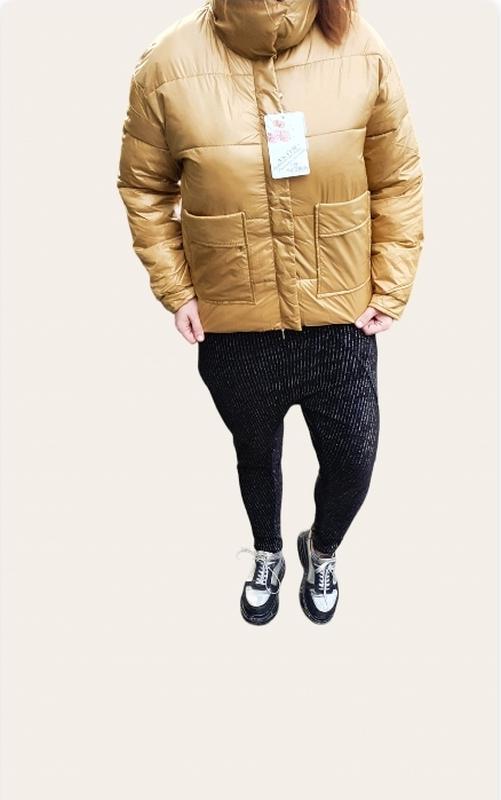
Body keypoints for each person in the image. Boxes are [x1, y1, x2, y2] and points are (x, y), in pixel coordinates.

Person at [116, 0, 424, 626]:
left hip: (340, 320)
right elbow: (145, 188)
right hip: (234, 324)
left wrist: (391, 284)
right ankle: (268, 552)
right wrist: (177, 289)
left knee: (353, 462)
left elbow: (397, 179)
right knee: (256, 458)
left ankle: (322, 549)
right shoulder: (167, 64)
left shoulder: (359, 47)